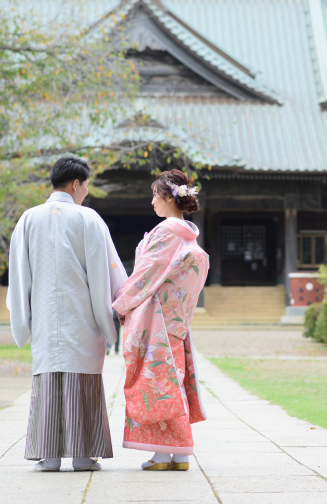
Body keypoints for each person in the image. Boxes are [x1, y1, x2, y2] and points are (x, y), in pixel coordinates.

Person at [7, 156, 127, 472]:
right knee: (83, 381)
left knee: (48, 380)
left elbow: (19, 275)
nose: (86, 191)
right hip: (83, 317)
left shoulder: (28, 219)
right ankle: (84, 455)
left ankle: (47, 456)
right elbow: (111, 269)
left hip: (45, 317)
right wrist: (121, 305)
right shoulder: (88, 219)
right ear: (76, 184)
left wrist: (23, 316)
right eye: (86, 185)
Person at [112, 170, 209, 471]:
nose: (152, 201)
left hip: (156, 323)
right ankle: (179, 455)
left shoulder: (166, 232)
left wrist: (120, 303)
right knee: (171, 383)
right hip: (175, 323)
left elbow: (145, 275)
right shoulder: (188, 235)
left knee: (155, 385)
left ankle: (162, 454)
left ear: (169, 197)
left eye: (155, 195)